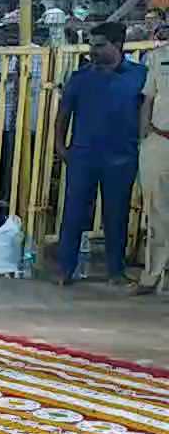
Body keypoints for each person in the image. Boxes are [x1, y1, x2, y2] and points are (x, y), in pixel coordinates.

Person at [54, 21, 145, 286]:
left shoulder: (140, 76)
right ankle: (65, 269)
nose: (92, 51)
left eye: (99, 45)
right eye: (90, 45)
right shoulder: (79, 77)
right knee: (73, 213)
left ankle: (115, 271)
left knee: (116, 215)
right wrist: (61, 146)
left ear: (117, 45)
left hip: (122, 156)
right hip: (83, 155)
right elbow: (63, 115)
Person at [139, 26, 169, 296]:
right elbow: (148, 97)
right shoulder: (158, 57)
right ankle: (152, 276)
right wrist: (145, 131)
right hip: (160, 139)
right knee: (156, 211)